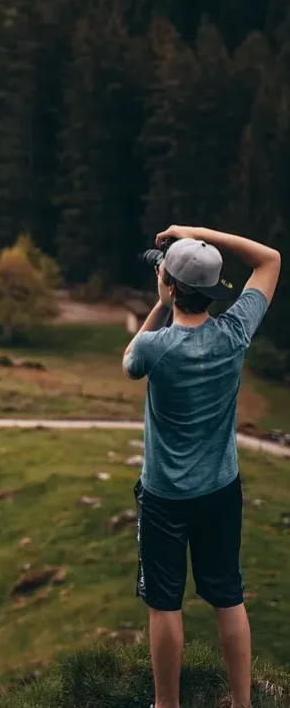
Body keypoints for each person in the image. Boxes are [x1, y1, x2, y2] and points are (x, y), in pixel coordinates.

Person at [122, 225, 281, 708]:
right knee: (227, 596)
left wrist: (159, 301)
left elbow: (130, 359)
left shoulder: (155, 348)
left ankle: (166, 705)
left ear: (169, 286)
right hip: (220, 490)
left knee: (164, 603)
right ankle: (241, 701)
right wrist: (197, 236)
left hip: (165, 496)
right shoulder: (235, 333)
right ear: (212, 292)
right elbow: (269, 259)